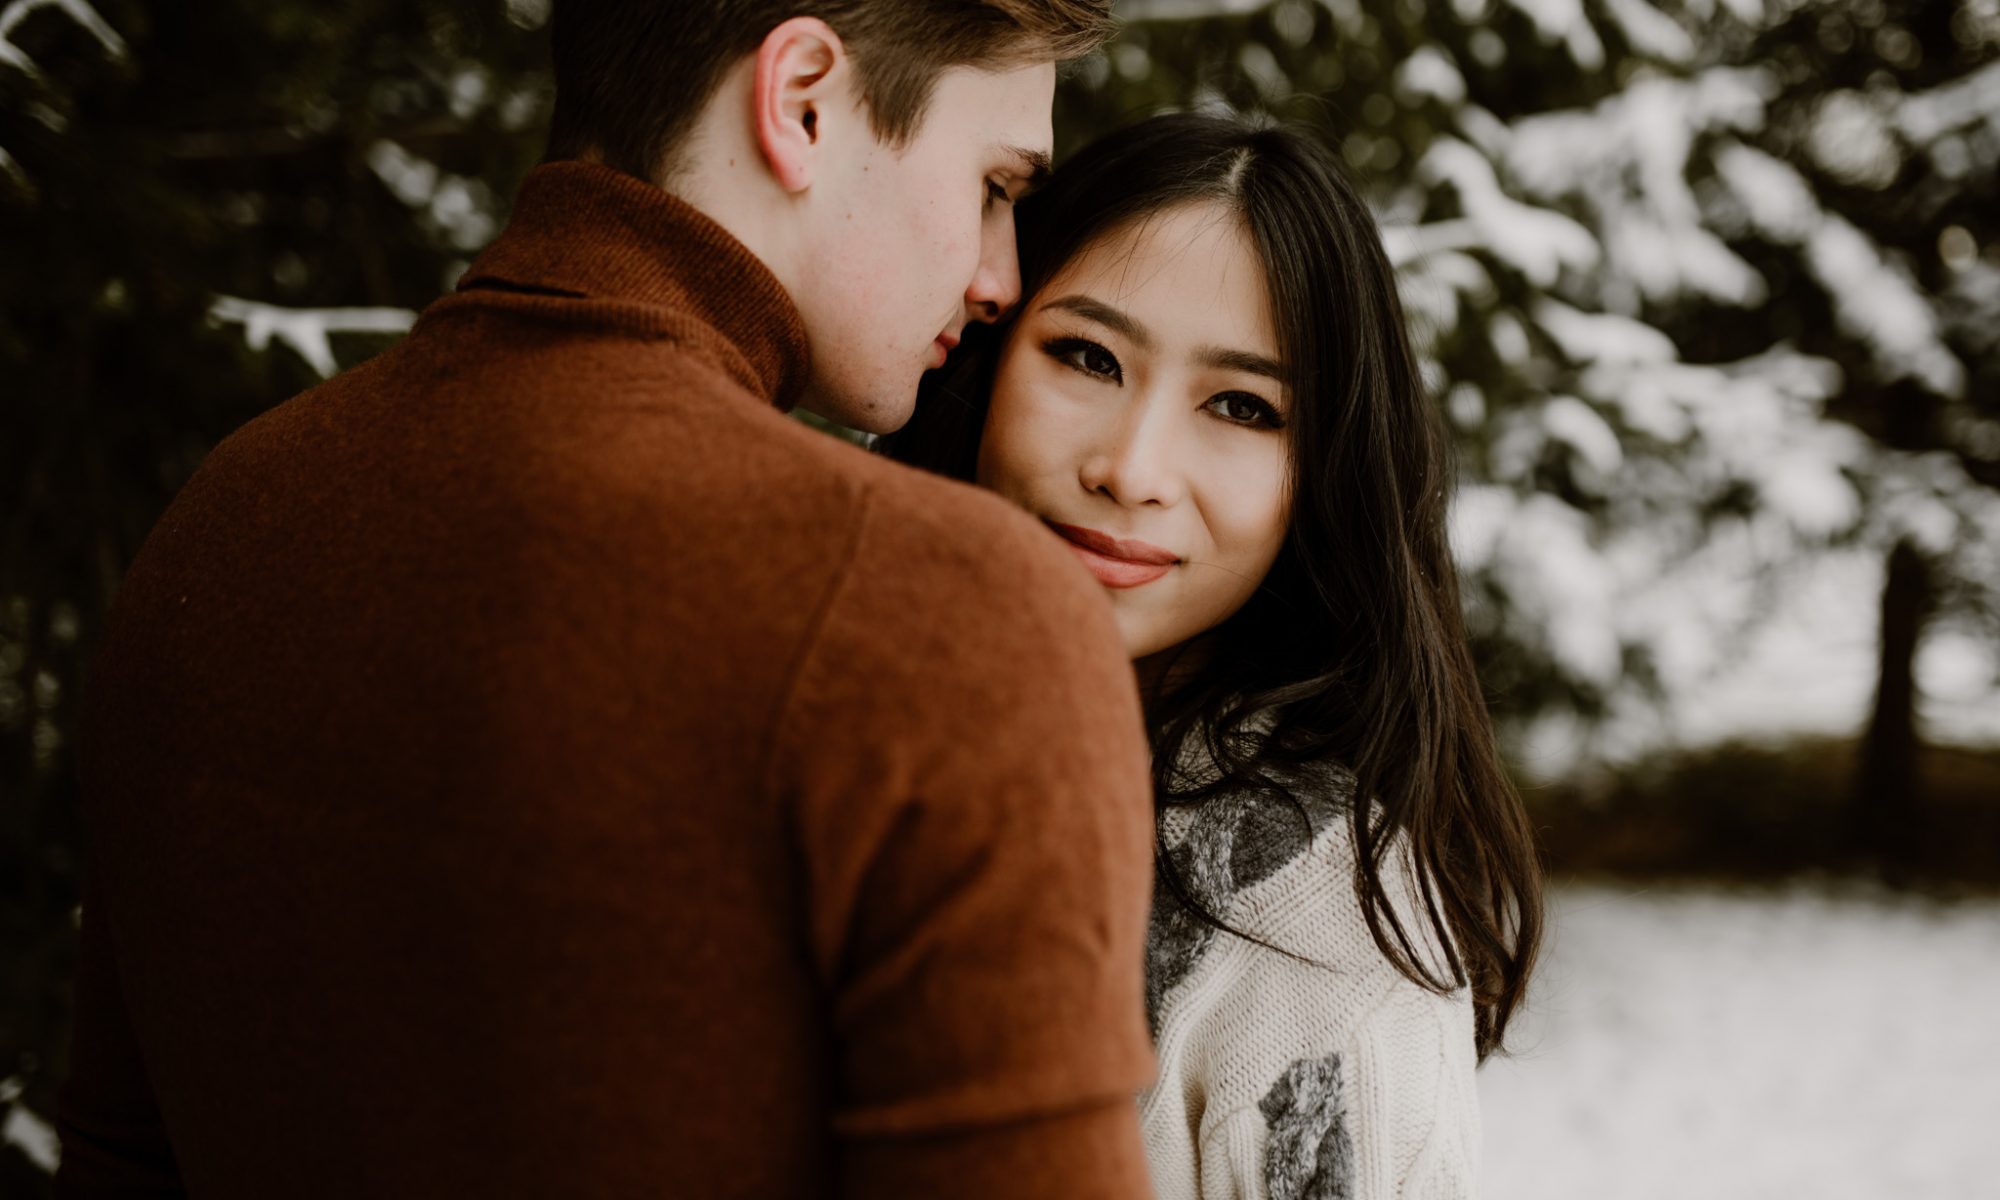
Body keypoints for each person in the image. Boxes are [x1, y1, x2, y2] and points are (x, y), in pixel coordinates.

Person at [57, 4, 1162, 1198]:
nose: (1001, 273)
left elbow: (119, 1161)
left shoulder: (226, 520)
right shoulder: (942, 613)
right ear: (800, 100)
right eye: (996, 186)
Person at [882, 110, 1545, 1198]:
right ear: (988, 353)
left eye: (1241, 406)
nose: (1131, 467)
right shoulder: (855, 733)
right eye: (1086, 356)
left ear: (1322, 475)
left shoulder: (1316, 922)